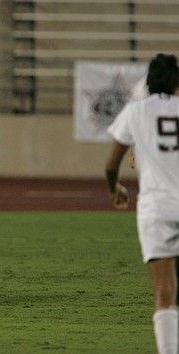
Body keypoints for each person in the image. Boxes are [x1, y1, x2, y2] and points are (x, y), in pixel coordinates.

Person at [105, 53, 179, 354]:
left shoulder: (136, 111)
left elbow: (111, 166)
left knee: (164, 294)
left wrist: (116, 189)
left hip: (156, 209)